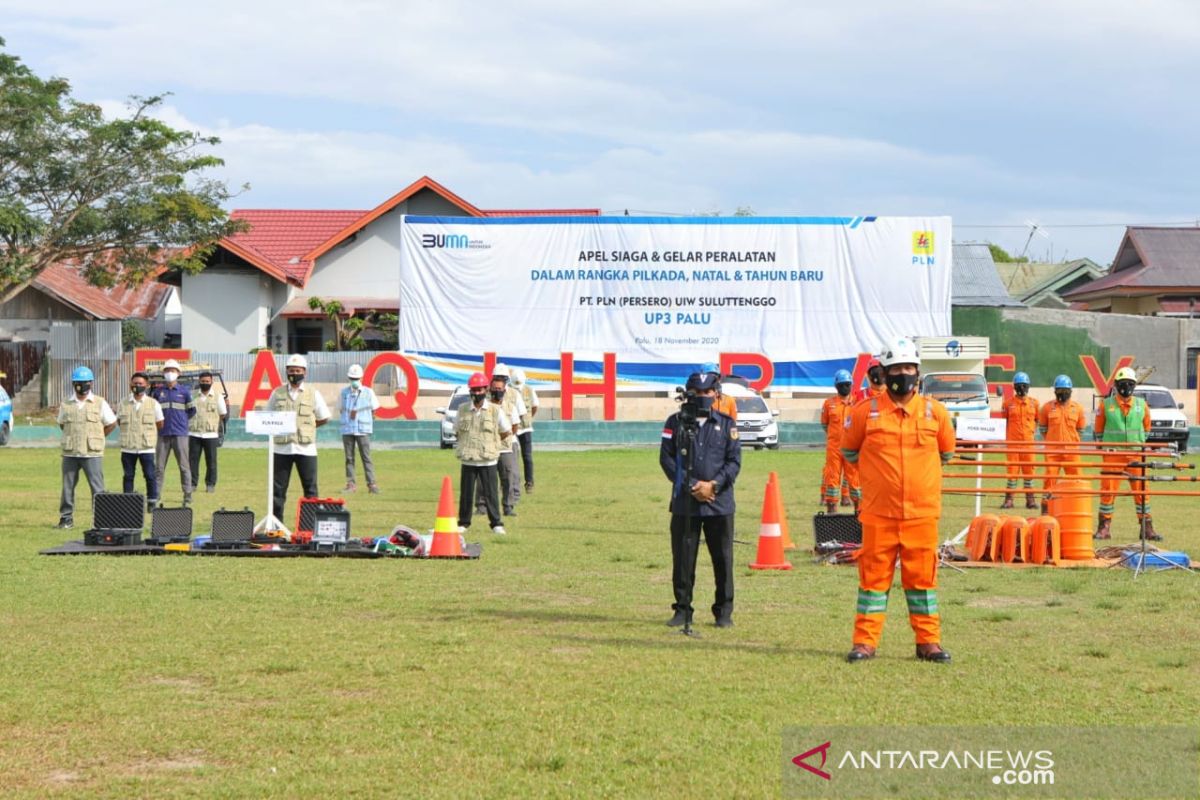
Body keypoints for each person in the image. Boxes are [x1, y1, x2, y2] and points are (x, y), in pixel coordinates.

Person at [841, 337, 956, 663]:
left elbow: (947, 453)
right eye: (896, 369)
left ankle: (928, 642)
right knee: (873, 582)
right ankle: (864, 643)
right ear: (884, 372)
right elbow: (849, 451)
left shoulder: (937, 413)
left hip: (922, 515)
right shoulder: (866, 412)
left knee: (922, 582)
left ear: (917, 372)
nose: (902, 374)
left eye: (908, 368)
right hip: (879, 515)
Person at [659, 371, 742, 629]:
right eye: (697, 393)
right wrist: (693, 485)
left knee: (723, 560)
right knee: (683, 560)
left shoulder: (727, 424)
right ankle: (682, 610)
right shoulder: (675, 422)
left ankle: (723, 612)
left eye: (708, 392)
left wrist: (713, 485)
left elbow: (733, 462)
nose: (703, 397)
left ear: (716, 395)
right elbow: (667, 459)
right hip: (687, 502)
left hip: (719, 502)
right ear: (688, 394)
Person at [1093, 367, 1159, 541]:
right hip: (1113, 455)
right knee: (1108, 490)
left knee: (1142, 491)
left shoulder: (1141, 405)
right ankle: (1104, 527)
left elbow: (1147, 428)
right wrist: (1104, 447)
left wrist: (1138, 444)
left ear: (1134, 386)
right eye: (1123, 384)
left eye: (1130, 384)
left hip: (1136, 455)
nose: (1126, 387)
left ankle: (1147, 528)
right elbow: (1098, 430)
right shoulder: (1106, 405)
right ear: (1116, 385)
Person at [267, 354, 331, 524]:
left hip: (306, 448)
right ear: (286, 372)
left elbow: (324, 417)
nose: (294, 373)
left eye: (297, 370)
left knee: (310, 490)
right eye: (291, 370)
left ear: (305, 372)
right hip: (281, 449)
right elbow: (267, 416)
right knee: (278, 491)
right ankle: (276, 525)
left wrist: (309, 427)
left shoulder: (313, 394)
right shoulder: (277, 393)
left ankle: (309, 527)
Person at [57, 365, 117, 529]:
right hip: (71, 453)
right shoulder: (66, 404)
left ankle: (101, 520)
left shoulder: (99, 402)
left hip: (92, 453)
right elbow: (62, 424)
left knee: (97, 487)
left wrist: (97, 436)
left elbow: (111, 423)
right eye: (77, 382)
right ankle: (66, 518)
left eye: (84, 382)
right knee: (67, 487)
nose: (80, 385)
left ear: (91, 383)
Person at [455, 371, 510, 535]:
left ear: (486, 390)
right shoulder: (462, 409)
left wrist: (492, 443)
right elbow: (457, 431)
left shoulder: (495, 410)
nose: (477, 393)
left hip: (488, 459)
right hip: (468, 458)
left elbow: (506, 430)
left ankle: (496, 524)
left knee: (491, 493)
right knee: (466, 493)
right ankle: (463, 523)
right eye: (474, 389)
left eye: (480, 389)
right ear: (470, 390)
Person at [1037, 374, 1086, 509]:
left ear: (1070, 391)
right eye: (1059, 390)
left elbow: (1080, 430)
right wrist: (1053, 440)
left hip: (1072, 451)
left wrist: (1071, 441)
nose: (1062, 394)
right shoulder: (1046, 408)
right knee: (1049, 480)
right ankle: (1046, 508)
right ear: (1055, 391)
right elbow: (1043, 429)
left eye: (1064, 391)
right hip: (1052, 452)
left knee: (1075, 479)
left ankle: (1075, 505)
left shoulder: (1078, 408)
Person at [117, 371, 164, 506]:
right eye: (135, 383)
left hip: (146, 447)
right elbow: (120, 422)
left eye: (140, 383)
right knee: (128, 476)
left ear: (147, 385)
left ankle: (152, 501)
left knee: (150, 476)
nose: (137, 385)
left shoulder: (153, 403)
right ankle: (127, 502)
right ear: (130, 385)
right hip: (128, 447)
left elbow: (160, 423)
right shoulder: (123, 403)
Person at [151, 358, 195, 504]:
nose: (170, 373)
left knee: (184, 467)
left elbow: (192, 411)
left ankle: (187, 495)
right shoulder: (157, 392)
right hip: (162, 434)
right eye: (167, 370)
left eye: (173, 370)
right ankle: (156, 495)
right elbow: (153, 412)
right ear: (163, 373)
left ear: (178, 373)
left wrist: (181, 421)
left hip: (180, 434)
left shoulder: (185, 392)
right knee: (159, 468)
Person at [820, 369, 860, 513]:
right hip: (834, 449)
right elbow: (825, 424)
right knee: (832, 478)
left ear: (851, 385)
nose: (844, 387)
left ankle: (858, 512)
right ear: (836, 386)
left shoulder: (858, 403)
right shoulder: (828, 404)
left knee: (855, 479)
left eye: (847, 384)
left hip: (852, 449)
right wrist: (835, 437)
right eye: (841, 385)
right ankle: (832, 512)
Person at [339, 363, 382, 494]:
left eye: (356, 378)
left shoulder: (369, 392)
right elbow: (341, 409)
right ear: (348, 378)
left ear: (361, 378)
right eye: (352, 378)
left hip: (363, 429)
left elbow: (375, 409)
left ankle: (372, 484)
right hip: (348, 429)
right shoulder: (344, 393)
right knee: (349, 458)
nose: (354, 381)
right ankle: (351, 484)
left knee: (366, 457)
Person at [1000, 371, 1040, 510]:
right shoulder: (1007, 404)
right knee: (1012, 471)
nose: (1021, 388)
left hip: (1028, 444)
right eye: (1019, 385)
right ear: (1014, 387)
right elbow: (1004, 421)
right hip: (1013, 444)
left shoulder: (1034, 403)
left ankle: (1031, 501)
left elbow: (1037, 420)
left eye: (1024, 385)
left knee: (1029, 472)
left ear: (1028, 387)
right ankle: (1009, 500)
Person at [188, 370, 227, 495]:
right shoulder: (192, 395)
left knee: (211, 461)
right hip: (194, 434)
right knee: (193, 461)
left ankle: (210, 484)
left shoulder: (218, 396)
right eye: (203, 381)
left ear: (212, 382)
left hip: (210, 435)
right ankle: (192, 484)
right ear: (199, 382)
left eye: (207, 381)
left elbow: (222, 414)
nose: (205, 383)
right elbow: (187, 412)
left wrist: (212, 423)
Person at [511, 368, 539, 494]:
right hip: (511, 428)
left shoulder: (529, 389)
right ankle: (511, 483)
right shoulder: (508, 390)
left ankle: (529, 483)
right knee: (511, 457)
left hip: (526, 428)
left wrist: (527, 419)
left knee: (527, 457)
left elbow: (534, 406)